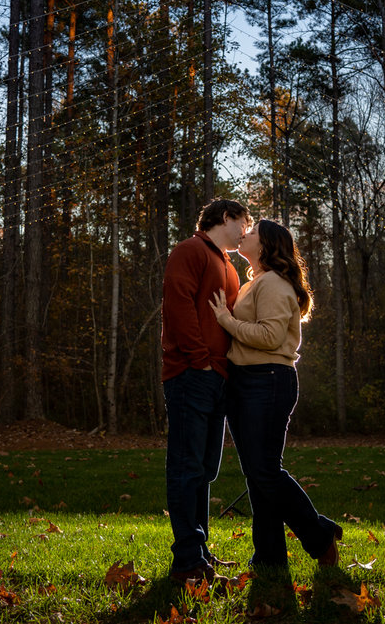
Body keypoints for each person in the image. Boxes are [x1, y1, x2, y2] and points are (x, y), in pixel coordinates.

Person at [209, 219, 342, 571]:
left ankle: (318, 534)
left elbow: (268, 337)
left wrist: (225, 320)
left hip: (267, 380)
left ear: (266, 245)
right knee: (257, 473)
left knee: (265, 471)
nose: (243, 234)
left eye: (250, 233)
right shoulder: (257, 282)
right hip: (247, 381)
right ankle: (269, 556)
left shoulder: (274, 284)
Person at [162, 198, 252, 582]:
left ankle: (200, 553)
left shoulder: (227, 264)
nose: (246, 231)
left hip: (219, 377)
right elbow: (178, 304)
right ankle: (187, 561)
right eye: (243, 223)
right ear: (226, 217)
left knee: (204, 470)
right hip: (190, 373)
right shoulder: (190, 250)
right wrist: (199, 358)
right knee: (186, 467)